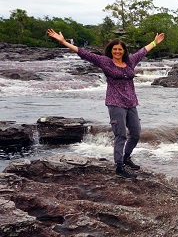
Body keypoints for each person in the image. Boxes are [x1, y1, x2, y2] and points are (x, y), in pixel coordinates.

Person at [46, 29, 165, 179]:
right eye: (114, 49)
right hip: (115, 103)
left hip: (131, 102)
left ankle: (127, 157)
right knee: (120, 135)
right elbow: (85, 54)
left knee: (135, 133)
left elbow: (143, 51)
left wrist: (155, 42)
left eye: (120, 49)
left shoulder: (130, 61)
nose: (117, 51)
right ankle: (119, 166)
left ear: (124, 51)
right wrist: (64, 43)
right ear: (111, 50)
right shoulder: (105, 62)